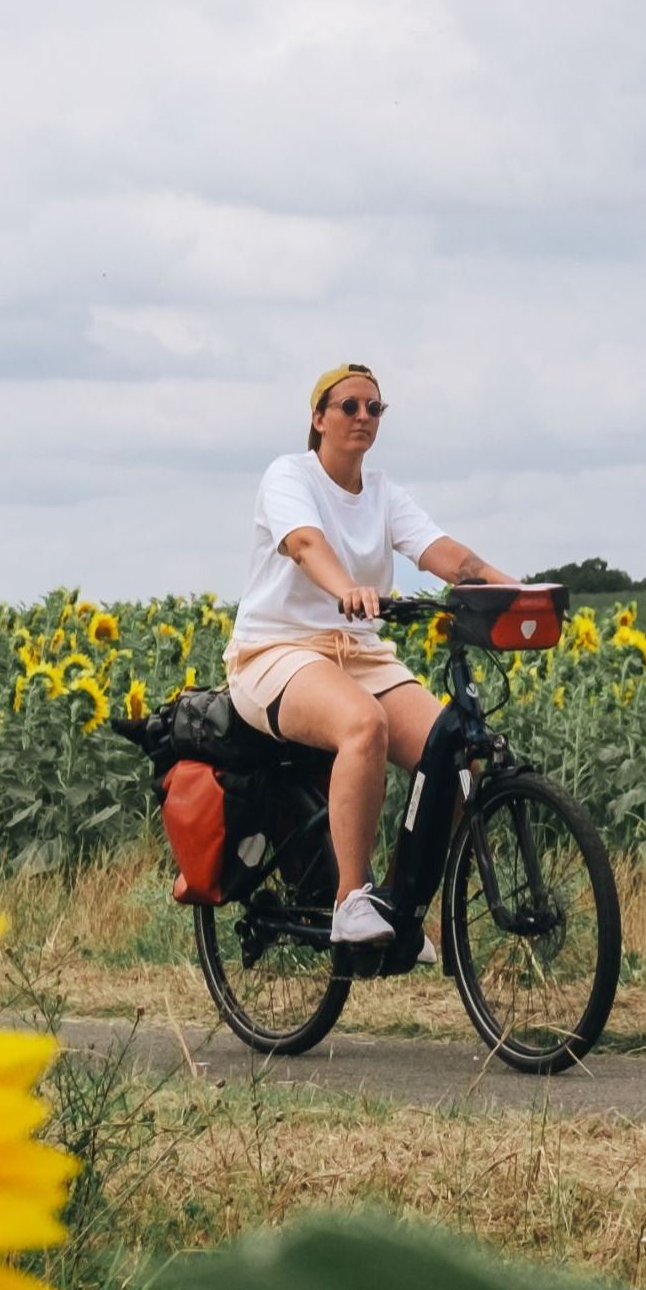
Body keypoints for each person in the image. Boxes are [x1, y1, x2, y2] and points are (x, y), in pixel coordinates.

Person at [225, 363, 521, 957]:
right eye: (349, 407)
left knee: (459, 757)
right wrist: (344, 590)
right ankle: (349, 903)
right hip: (277, 651)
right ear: (318, 419)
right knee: (364, 724)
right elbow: (307, 544)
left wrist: (514, 592)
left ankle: (405, 903)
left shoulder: (384, 494)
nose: (363, 417)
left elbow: (443, 553)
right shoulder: (289, 477)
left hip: (359, 653)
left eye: (374, 409)